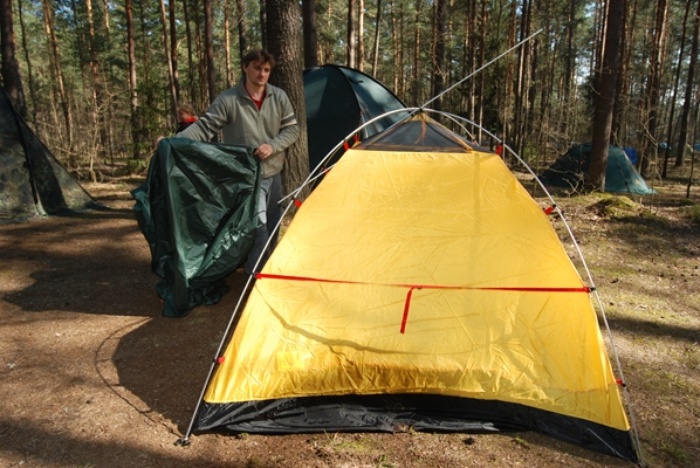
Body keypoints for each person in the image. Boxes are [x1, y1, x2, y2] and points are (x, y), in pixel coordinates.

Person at [176, 49, 300, 276]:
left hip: (275, 173)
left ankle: (266, 268)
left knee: (273, 226)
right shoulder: (229, 100)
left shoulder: (279, 96)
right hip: (247, 177)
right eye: (257, 68)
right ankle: (257, 277)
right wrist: (173, 141)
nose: (261, 74)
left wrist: (273, 145)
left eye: (266, 70)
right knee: (258, 227)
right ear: (245, 67)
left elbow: (292, 129)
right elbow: (204, 128)